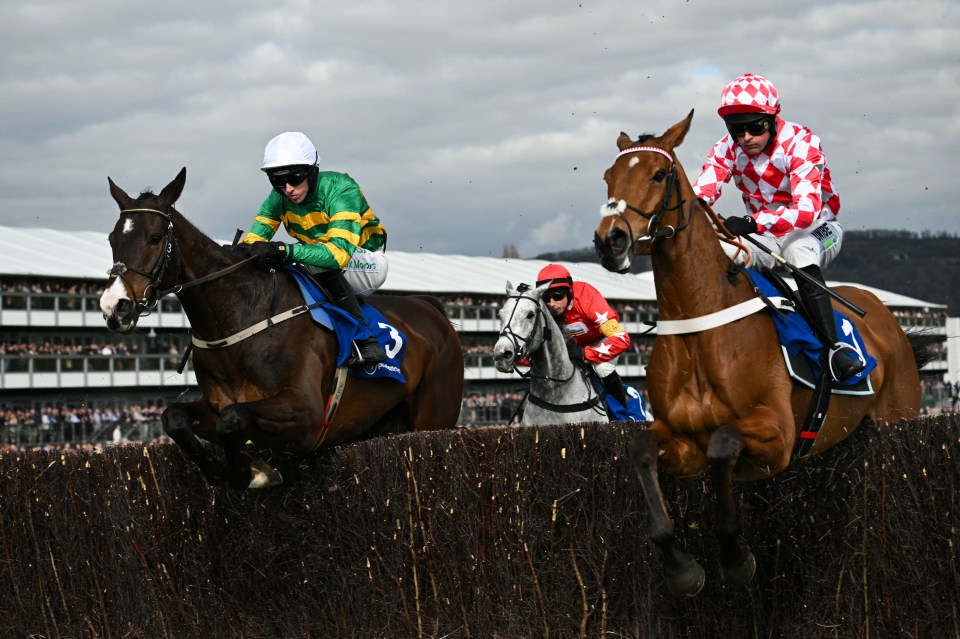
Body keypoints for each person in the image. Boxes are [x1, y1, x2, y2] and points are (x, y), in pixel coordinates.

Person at [692, 73, 865, 382]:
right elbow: (701, 194)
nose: (746, 137)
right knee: (717, 253)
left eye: (755, 127)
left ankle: (834, 348)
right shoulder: (726, 149)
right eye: (736, 129)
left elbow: (806, 210)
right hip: (766, 234)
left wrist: (752, 222)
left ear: (773, 118)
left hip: (817, 228)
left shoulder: (802, 142)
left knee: (799, 251)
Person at [236, 131, 388, 366]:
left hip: (364, 261)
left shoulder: (341, 188)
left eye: (294, 178)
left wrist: (283, 251)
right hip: (321, 259)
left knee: (309, 260)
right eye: (277, 181)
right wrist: (238, 253)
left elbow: (337, 255)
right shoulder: (278, 198)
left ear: (312, 171)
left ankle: (366, 341)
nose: (288, 189)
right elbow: (254, 240)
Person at [535, 264, 631, 406]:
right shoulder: (544, 308)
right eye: (546, 298)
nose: (552, 304)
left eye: (557, 296)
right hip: (574, 346)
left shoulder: (586, 297)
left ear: (569, 291)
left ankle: (621, 411)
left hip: (600, 340)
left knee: (602, 368)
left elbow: (622, 339)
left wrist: (584, 353)